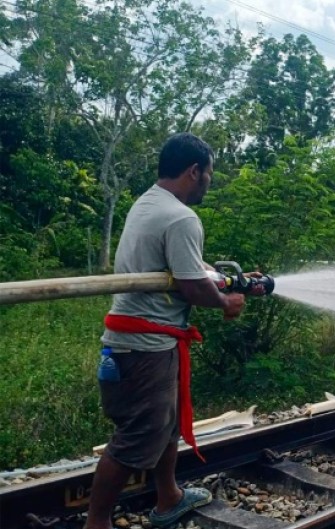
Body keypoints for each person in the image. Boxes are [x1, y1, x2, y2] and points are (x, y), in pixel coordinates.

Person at [85, 133, 256, 529]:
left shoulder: (147, 203)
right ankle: (96, 523)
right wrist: (225, 302)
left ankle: (168, 498)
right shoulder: (182, 217)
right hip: (145, 347)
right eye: (209, 174)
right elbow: (193, 285)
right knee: (137, 436)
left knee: (167, 424)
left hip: (140, 341)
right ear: (194, 172)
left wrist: (226, 280)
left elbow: (187, 268)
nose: (209, 182)